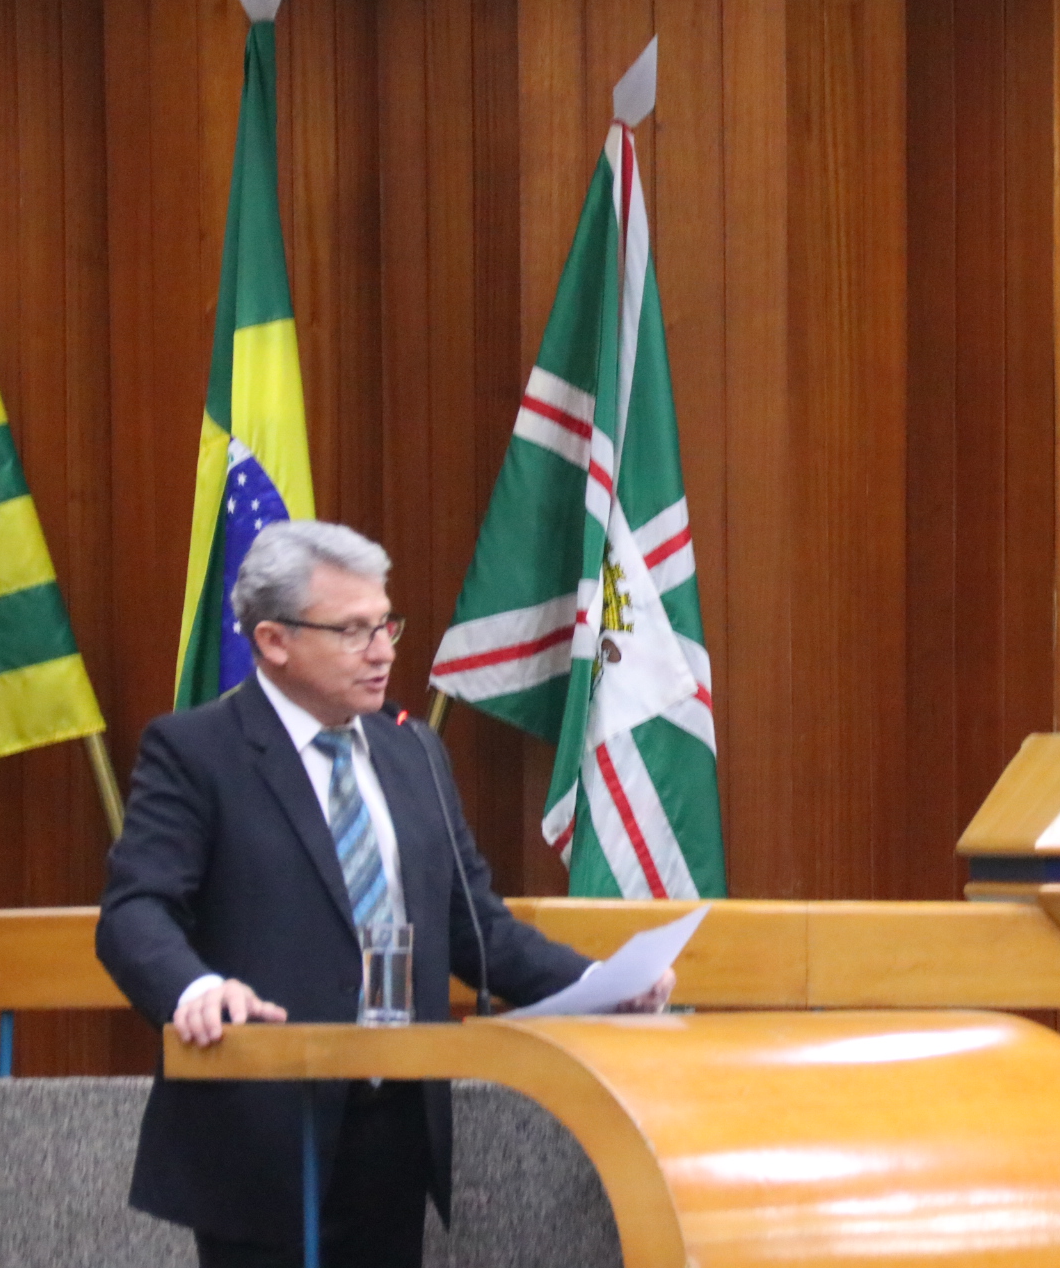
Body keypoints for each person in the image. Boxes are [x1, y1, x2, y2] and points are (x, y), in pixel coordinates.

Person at [97, 520, 672, 1268]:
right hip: (267, 1121)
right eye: (352, 631)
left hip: (395, 1125)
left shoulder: (413, 751)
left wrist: (601, 984)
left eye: (386, 625)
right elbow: (135, 911)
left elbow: (475, 928)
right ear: (273, 640)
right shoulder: (198, 751)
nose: (383, 652)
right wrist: (195, 989)